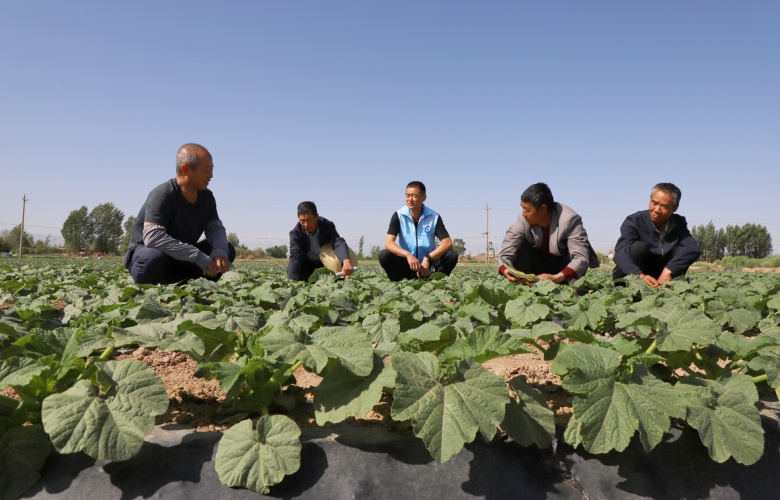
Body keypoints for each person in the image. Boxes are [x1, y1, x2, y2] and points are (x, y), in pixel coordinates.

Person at [124, 143, 235, 284]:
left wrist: (219, 251)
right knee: (153, 258)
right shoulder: (162, 194)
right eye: (206, 170)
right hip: (150, 254)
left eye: (212, 169)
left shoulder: (206, 197)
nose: (211, 175)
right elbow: (153, 237)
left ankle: (193, 288)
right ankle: (147, 290)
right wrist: (197, 256)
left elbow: (215, 228)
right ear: (185, 169)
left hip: (183, 256)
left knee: (227, 249)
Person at [498, 182, 599, 285]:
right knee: (519, 245)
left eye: (527, 209)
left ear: (543, 209)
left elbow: (580, 257)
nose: (523, 213)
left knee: (573, 254)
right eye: (522, 208)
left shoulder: (569, 219)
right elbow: (506, 252)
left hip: (562, 266)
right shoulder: (523, 219)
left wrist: (557, 277)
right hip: (538, 265)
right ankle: (526, 286)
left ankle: (572, 289)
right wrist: (506, 271)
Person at [613, 182, 701, 288]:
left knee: (683, 250)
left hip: (660, 277)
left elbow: (692, 248)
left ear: (675, 208)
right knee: (638, 248)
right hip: (634, 275)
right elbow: (620, 252)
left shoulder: (678, 223)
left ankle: (668, 287)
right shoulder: (634, 221)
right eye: (654, 203)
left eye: (664, 206)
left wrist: (670, 270)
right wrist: (638, 275)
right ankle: (625, 287)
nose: (657, 210)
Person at [378, 181, 459, 281]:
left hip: (428, 265)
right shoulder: (398, 215)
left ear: (424, 198)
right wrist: (408, 255)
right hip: (408, 263)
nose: (409, 199)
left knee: (451, 255)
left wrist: (428, 258)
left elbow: (447, 243)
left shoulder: (434, 217)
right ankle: (399, 283)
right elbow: (388, 243)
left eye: (414, 196)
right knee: (384, 255)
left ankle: (436, 282)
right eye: (407, 195)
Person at [288, 201, 356, 281]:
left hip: (325, 265)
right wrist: (292, 280)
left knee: (337, 280)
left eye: (309, 220)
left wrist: (346, 261)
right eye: (302, 220)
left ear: (317, 217)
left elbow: (337, 242)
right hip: (307, 265)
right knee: (297, 273)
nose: (306, 224)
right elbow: (296, 255)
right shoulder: (295, 233)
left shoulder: (327, 225)